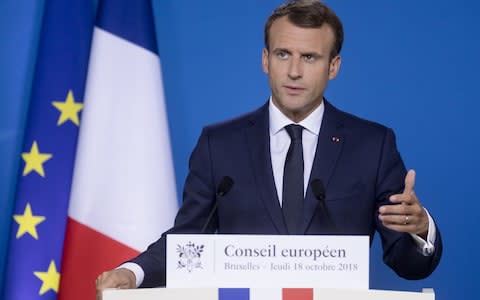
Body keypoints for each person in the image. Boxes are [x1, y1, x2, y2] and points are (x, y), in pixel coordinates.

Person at [96, 0, 442, 295]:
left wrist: (419, 229)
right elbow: (188, 243)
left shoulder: (372, 146)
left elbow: (409, 266)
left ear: (333, 66)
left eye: (309, 57)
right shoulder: (220, 145)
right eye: (283, 54)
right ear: (265, 60)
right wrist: (132, 273)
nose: (294, 71)